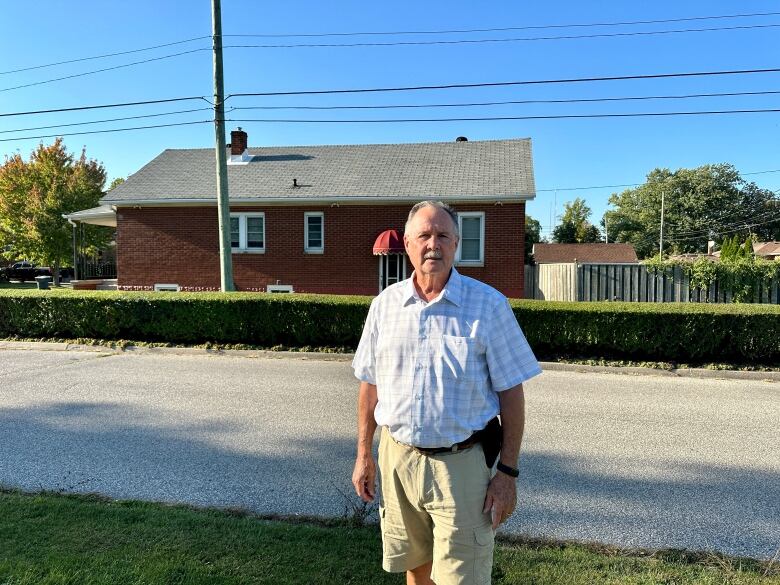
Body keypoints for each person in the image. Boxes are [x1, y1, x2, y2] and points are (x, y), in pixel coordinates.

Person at [351, 200, 542, 585]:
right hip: (397, 458)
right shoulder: (385, 306)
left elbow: (512, 394)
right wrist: (364, 454)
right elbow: (370, 385)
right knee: (416, 568)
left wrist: (506, 473)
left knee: (463, 578)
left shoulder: (488, 305)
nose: (432, 245)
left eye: (443, 236)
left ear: (456, 244)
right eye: (424, 235)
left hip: (462, 467)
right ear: (407, 244)